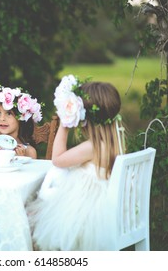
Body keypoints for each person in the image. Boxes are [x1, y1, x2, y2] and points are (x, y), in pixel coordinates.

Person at [27, 75, 126, 251]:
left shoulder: (92, 147)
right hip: (102, 205)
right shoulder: (114, 142)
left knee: (33, 217)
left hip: (85, 212)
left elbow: (57, 160)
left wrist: (64, 125)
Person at [0, 84, 43, 159]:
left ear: (21, 117)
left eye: (9, 113)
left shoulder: (29, 152)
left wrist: (20, 159)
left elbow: (31, 171)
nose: (2, 118)